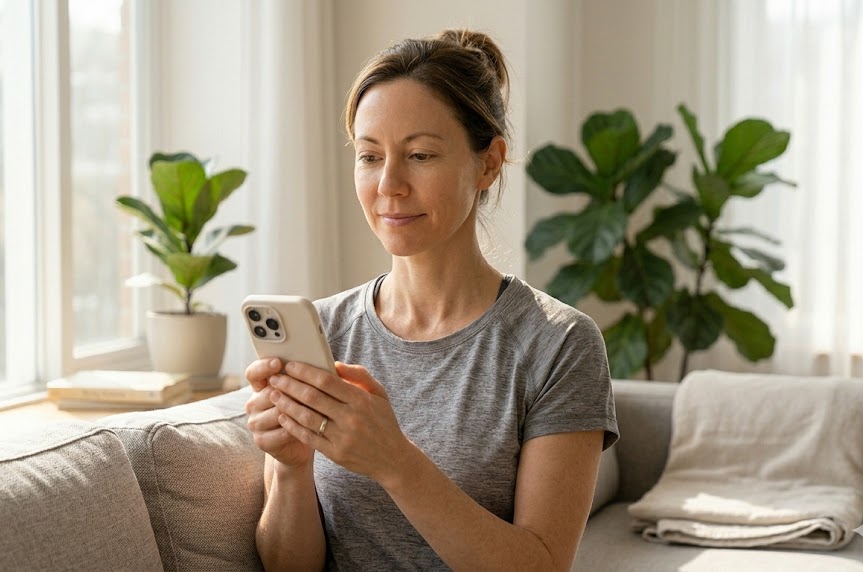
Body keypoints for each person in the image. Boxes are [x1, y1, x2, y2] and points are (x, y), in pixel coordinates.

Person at [244, 28, 618, 571]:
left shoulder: (558, 344)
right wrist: (290, 468)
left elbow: (542, 565)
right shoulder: (323, 332)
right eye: (370, 157)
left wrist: (395, 462)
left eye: (419, 155)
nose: (389, 185)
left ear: (489, 163)